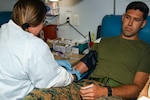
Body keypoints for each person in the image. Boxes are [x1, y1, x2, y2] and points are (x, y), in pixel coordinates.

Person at [25, 1, 150, 100]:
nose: (130, 23)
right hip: (87, 85)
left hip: (114, 93)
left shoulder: (146, 50)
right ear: (123, 18)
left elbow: (138, 88)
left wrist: (105, 91)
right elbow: (83, 65)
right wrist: (64, 73)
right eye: (128, 17)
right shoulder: (103, 41)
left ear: (143, 24)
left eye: (136, 20)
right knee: (38, 95)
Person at [0, 0, 89, 99]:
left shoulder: (3, 30)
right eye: (44, 22)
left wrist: (53, 63)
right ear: (36, 22)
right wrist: (75, 75)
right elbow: (54, 79)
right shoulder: (33, 45)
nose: (43, 26)